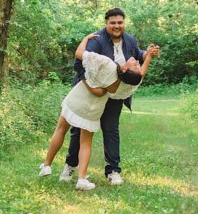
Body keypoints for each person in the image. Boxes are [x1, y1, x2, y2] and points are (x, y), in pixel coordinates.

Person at [39, 34, 153, 190]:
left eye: (135, 64)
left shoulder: (107, 65)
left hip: (78, 99)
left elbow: (79, 55)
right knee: (85, 143)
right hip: (94, 108)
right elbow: (141, 74)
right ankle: (81, 179)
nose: (135, 61)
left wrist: (86, 38)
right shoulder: (126, 85)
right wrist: (148, 58)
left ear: (125, 69)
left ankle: (46, 165)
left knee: (61, 130)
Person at [61, 7, 160, 186]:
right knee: (78, 130)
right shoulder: (97, 40)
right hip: (91, 92)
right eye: (112, 23)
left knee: (111, 129)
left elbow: (138, 55)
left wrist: (148, 54)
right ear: (106, 23)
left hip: (115, 94)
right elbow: (80, 63)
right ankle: (70, 166)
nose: (116, 26)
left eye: (120, 22)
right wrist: (91, 88)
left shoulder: (130, 39)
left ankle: (113, 171)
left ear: (124, 23)